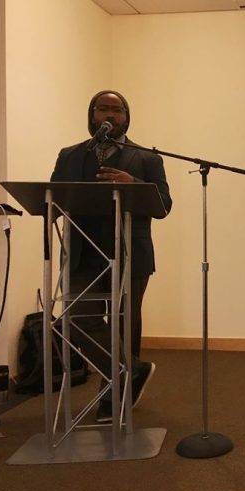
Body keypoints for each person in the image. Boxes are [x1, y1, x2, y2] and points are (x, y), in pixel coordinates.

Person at [50, 90, 172, 422]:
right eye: (102, 109)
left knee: (124, 324)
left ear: (126, 117)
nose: (110, 115)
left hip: (130, 253)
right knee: (76, 320)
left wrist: (133, 184)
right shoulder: (70, 155)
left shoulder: (146, 159)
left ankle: (113, 397)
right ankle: (132, 371)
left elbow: (164, 206)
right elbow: (53, 197)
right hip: (81, 253)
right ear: (92, 115)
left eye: (117, 110)